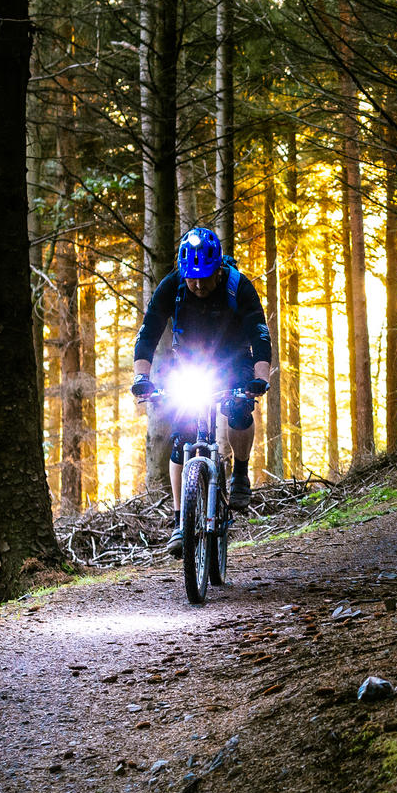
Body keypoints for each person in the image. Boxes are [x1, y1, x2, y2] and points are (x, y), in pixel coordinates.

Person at [129, 226, 271, 556]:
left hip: (233, 359)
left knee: (238, 409)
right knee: (181, 436)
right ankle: (181, 521)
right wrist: (141, 376)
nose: (197, 285)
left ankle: (239, 473)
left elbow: (260, 334)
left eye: (204, 278)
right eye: (192, 278)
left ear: (218, 269)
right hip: (190, 362)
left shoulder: (239, 286)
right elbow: (148, 332)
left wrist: (259, 379)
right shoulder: (173, 285)